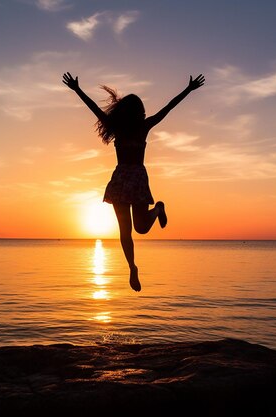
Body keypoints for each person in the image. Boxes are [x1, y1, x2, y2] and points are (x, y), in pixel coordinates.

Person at [62, 72, 205, 292]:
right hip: (121, 180)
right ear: (136, 111)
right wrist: (77, 90)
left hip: (137, 179)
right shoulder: (118, 128)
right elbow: (94, 108)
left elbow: (168, 108)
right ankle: (132, 267)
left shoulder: (143, 127)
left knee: (140, 228)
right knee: (125, 230)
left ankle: (158, 208)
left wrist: (188, 90)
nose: (143, 112)